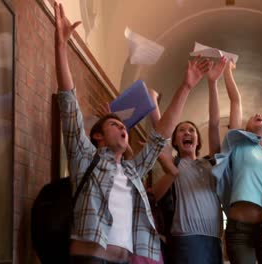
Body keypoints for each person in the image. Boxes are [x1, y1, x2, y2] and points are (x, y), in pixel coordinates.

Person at [54, 2, 210, 263]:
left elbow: (160, 136)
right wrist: (61, 46)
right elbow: (68, 104)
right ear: (98, 137)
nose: (121, 128)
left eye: (122, 125)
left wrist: (185, 87)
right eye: (114, 124)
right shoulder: (84, 158)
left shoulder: (131, 171)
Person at [147, 56, 233, 264]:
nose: (187, 132)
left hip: (213, 241)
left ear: (197, 140)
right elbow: (161, 131)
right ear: (175, 141)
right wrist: (152, 101)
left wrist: (213, 83)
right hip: (185, 241)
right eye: (182, 130)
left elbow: (214, 124)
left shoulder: (210, 164)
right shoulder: (174, 163)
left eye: (192, 130)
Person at [212, 60, 262, 264]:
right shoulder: (239, 145)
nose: (259, 115)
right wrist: (228, 71)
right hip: (240, 230)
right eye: (254, 117)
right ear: (245, 130)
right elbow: (236, 101)